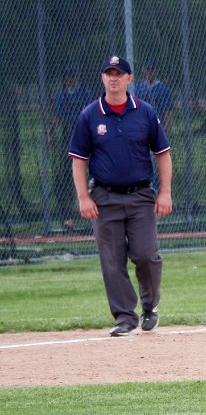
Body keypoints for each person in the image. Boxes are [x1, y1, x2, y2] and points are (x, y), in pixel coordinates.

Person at [68, 55, 173, 337]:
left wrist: (165, 192)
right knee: (112, 260)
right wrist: (83, 197)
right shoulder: (90, 115)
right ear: (103, 78)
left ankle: (149, 307)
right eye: (109, 73)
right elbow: (79, 159)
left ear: (129, 79)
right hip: (104, 197)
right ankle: (125, 317)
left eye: (119, 73)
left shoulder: (145, 112)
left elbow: (163, 153)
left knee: (145, 255)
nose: (113, 78)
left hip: (141, 196)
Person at [47, 68, 94, 227]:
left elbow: (92, 113)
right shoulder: (62, 96)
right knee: (67, 175)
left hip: (86, 137)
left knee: (93, 172)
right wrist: (50, 132)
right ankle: (67, 216)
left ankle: (94, 210)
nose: (71, 79)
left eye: (73, 76)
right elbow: (57, 117)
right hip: (69, 138)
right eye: (68, 76)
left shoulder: (85, 93)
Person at [134, 62, 173, 136]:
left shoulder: (163, 88)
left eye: (152, 69)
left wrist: (168, 130)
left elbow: (167, 111)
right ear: (143, 70)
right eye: (147, 69)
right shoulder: (138, 87)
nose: (149, 72)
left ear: (156, 71)